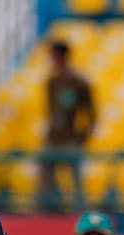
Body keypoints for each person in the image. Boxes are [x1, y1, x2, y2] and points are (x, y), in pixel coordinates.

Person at [36, 40, 95, 213]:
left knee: (76, 178)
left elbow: (90, 112)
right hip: (53, 137)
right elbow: (50, 111)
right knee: (45, 176)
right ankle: (46, 212)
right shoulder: (51, 82)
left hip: (71, 138)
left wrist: (83, 135)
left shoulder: (78, 82)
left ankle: (79, 211)